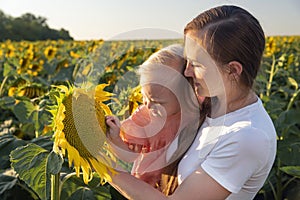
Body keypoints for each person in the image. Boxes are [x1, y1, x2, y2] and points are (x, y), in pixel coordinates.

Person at [106, 5, 277, 200]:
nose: (186, 72)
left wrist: (106, 167)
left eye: (196, 64)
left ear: (233, 71)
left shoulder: (248, 137)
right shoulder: (203, 103)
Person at [106, 44, 202, 194]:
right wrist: (115, 139)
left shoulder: (196, 114)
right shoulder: (145, 118)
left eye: (158, 102)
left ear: (186, 96)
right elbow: (130, 156)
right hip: (146, 189)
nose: (148, 105)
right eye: (144, 97)